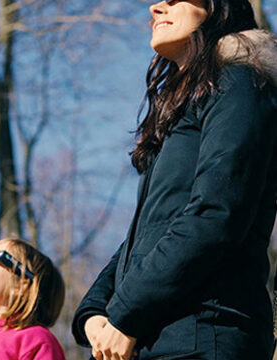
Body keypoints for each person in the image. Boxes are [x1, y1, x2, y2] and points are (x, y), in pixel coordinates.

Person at [72, 0, 277, 359]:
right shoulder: (190, 101)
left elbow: (216, 214)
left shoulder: (241, 82)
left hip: (204, 334)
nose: (155, 7)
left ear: (218, 6)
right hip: (151, 334)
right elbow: (147, 234)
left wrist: (124, 316)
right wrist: (95, 312)